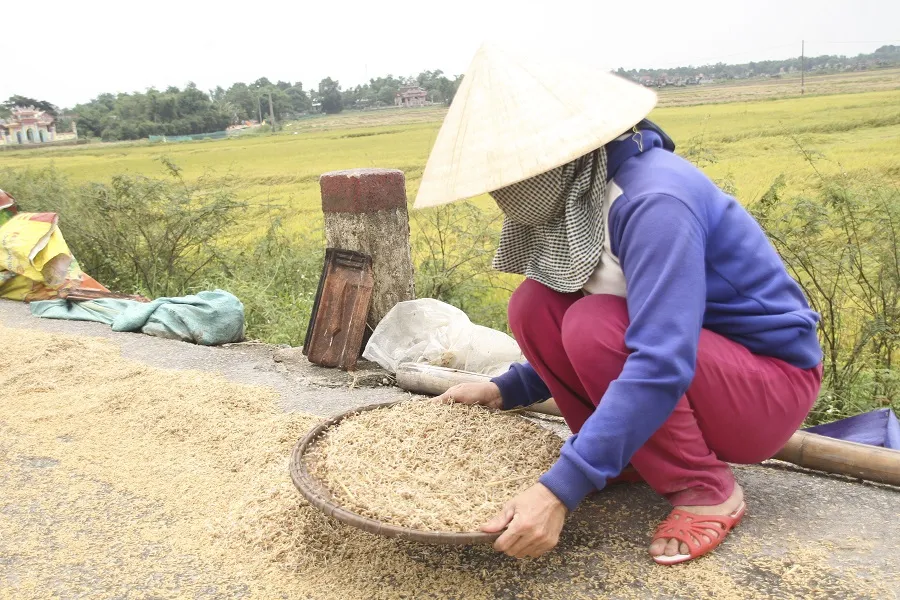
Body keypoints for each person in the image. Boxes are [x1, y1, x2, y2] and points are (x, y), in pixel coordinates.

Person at [414, 44, 823, 565]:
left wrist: (561, 487)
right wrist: (506, 389)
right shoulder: (581, 197)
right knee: (534, 304)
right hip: (699, 368)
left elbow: (658, 356)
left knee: (593, 324)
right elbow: (617, 324)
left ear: (557, 156)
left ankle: (706, 488)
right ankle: (625, 457)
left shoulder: (653, 203)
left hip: (766, 390)